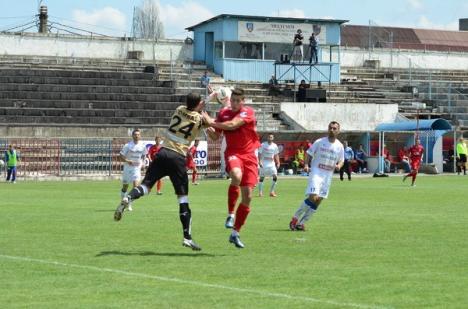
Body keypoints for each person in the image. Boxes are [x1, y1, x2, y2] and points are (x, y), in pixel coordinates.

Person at [114, 93, 208, 251]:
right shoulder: (199, 120)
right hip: (178, 158)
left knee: (145, 186)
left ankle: (128, 197)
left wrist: (206, 99)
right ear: (199, 104)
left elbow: (194, 106)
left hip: (163, 152)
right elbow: (210, 127)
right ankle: (187, 237)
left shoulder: (179, 109)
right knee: (183, 199)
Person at [202, 88, 260, 249]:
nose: (234, 103)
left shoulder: (248, 112)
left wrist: (210, 121)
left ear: (243, 101)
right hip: (233, 153)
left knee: (248, 197)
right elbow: (216, 136)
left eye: (237, 101)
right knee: (235, 175)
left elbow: (232, 125)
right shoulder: (224, 113)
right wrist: (207, 127)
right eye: (232, 100)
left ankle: (235, 233)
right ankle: (230, 214)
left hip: (249, 156)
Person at [289, 121, 344, 231]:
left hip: (327, 176)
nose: (332, 130)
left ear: (338, 131)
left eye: (334, 128)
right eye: (330, 128)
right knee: (313, 197)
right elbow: (309, 153)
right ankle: (295, 218)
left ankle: (302, 223)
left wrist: (339, 165)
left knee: (318, 200)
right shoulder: (320, 142)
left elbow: (342, 159)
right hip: (316, 173)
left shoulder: (339, 146)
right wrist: (305, 164)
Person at [119, 129, 148, 211]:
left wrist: (143, 164)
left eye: (138, 134)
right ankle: (123, 203)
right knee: (125, 187)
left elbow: (144, 155)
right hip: (127, 168)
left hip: (136, 169)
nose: (137, 136)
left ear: (140, 136)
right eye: (135, 134)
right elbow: (121, 155)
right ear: (132, 136)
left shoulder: (142, 146)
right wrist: (128, 161)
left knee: (136, 187)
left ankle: (129, 204)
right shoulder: (127, 145)